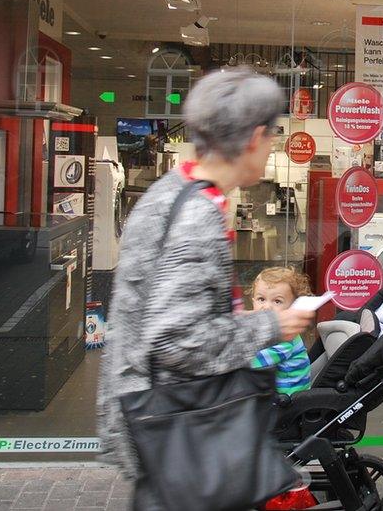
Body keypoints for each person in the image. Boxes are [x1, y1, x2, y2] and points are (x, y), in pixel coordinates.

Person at [96, 69, 317, 510]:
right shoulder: (197, 214)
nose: (273, 143)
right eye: (273, 134)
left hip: (154, 419)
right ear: (255, 137)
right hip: (182, 430)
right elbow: (177, 339)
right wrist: (269, 326)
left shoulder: (169, 192)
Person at [249, 267, 313, 396]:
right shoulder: (268, 329)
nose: (267, 307)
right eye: (261, 299)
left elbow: (254, 362)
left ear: (293, 308)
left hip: (286, 403)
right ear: (253, 301)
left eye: (277, 301)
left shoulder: (286, 337)